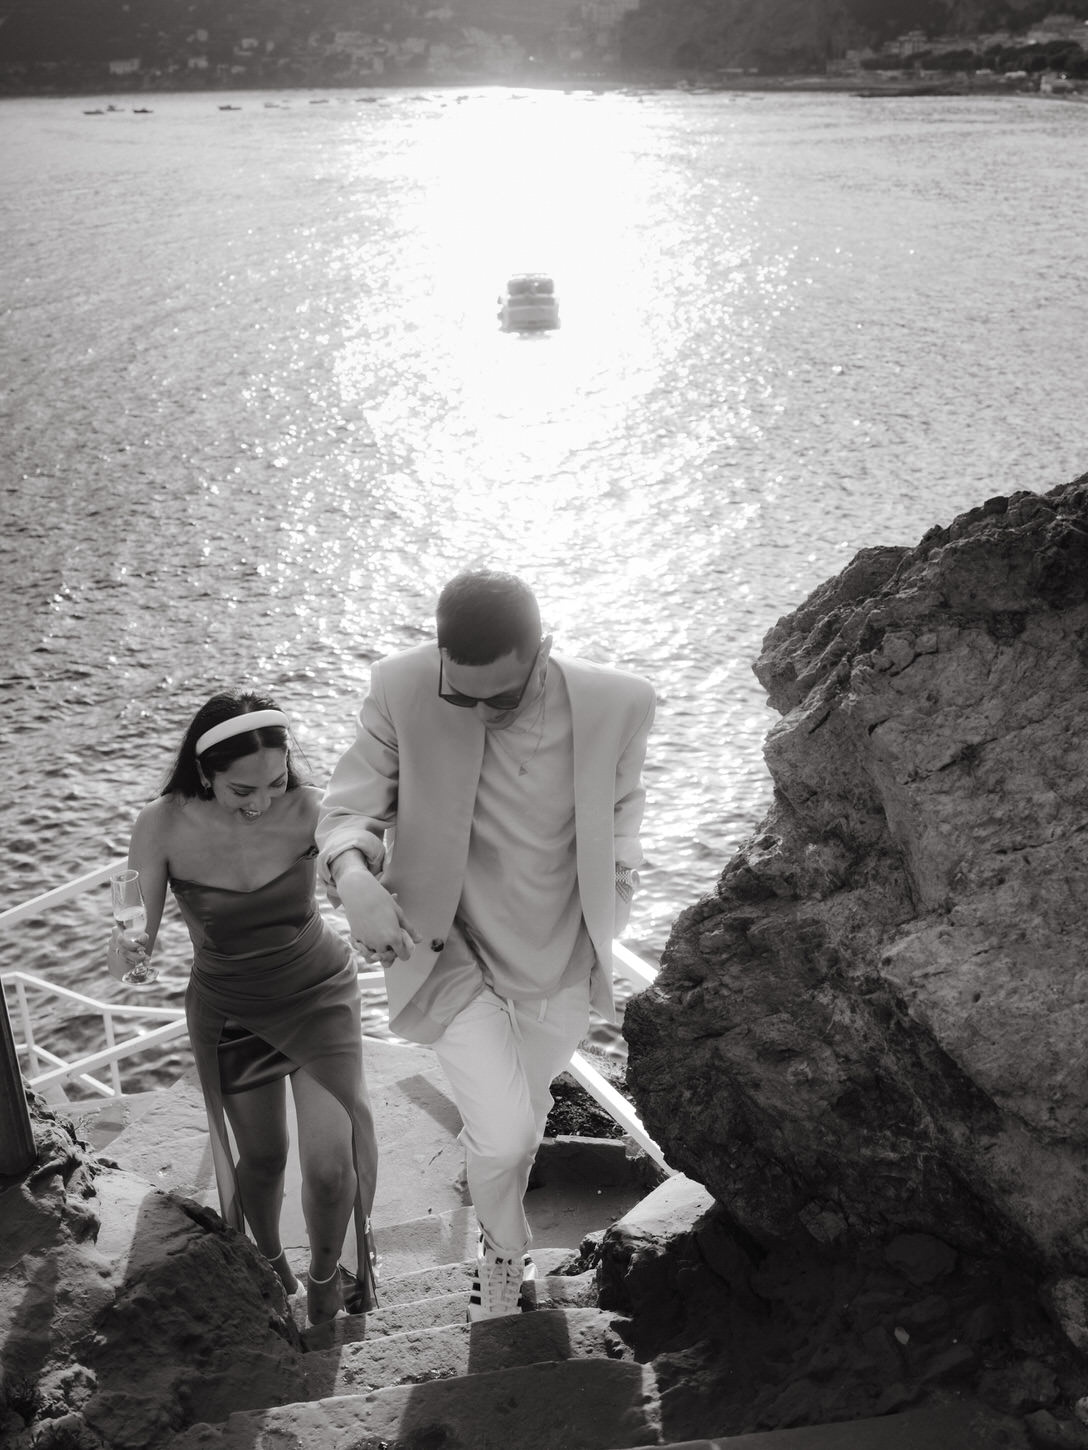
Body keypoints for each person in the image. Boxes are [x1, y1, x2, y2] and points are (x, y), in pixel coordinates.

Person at [316, 570, 654, 1321]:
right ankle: (503, 1260)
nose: (476, 712)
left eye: (498, 698)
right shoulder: (401, 687)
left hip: (558, 960)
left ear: (543, 652)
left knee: (521, 1125)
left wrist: (619, 891)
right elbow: (348, 806)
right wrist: (352, 877)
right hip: (447, 955)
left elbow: (625, 809)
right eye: (458, 694)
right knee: (502, 1137)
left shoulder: (619, 703)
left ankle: (502, 1248)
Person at [108, 690, 379, 1325]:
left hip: (319, 992)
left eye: (275, 782)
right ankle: (272, 1265)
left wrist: (362, 892)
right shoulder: (159, 824)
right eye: (241, 790)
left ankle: (321, 1281)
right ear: (205, 772)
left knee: (331, 1169)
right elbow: (125, 936)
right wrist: (126, 945)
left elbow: (358, 870)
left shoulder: (312, 809)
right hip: (233, 1013)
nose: (260, 802)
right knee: (263, 1161)